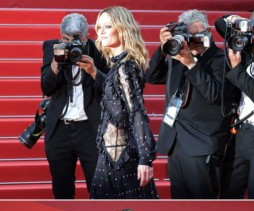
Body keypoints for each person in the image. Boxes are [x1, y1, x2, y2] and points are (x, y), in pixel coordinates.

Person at [146, 10, 230, 199]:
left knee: (203, 205)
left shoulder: (221, 59)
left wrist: (192, 64)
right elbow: (152, 76)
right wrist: (162, 48)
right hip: (176, 142)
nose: (195, 40)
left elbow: (215, 95)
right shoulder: (178, 56)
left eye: (199, 34)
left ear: (208, 31)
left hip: (202, 145)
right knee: (180, 203)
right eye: (190, 36)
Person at [90, 6, 158, 199]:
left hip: (122, 159)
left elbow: (136, 111)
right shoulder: (118, 66)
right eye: (99, 26)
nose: (101, 31)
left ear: (122, 29)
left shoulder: (126, 67)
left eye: (108, 26)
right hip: (110, 155)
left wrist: (145, 158)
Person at [41, 13, 109, 199]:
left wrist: (93, 71)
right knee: (61, 187)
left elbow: (111, 90)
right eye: (65, 39)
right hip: (60, 129)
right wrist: (55, 64)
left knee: (98, 186)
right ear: (60, 35)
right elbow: (46, 88)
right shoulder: (51, 47)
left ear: (86, 37)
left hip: (90, 128)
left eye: (76, 39)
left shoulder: (99, 50)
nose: (70, 44)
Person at [217, 16, 254, 199]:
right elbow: (220, 24)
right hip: (238, 134)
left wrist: (237, 69)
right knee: (229, 191)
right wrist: (244, 24)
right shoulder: (245, 54)